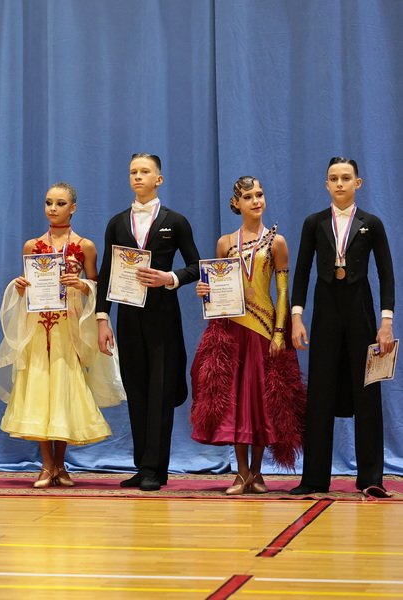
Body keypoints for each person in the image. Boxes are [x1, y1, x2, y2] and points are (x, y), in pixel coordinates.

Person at [0, 182, 125, 488]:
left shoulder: (85, 246)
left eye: (60, 203)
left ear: (73, 208)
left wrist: (82, 285)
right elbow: (27, 288)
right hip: (39, 328)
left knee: (63, 390)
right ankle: (46, 464)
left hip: (69, 329)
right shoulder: (32, 246)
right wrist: (20, 287)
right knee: (40, 391)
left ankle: (61, 464)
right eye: (49, 202)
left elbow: (97, 287)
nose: (53, 208)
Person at [190, 176, 306, 494]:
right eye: (249, 196)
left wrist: (280, 332)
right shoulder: (225, 243)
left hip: (265, 328)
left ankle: (257, 471)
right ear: (236, 204)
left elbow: (283, 292)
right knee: (235, 400)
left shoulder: (276, 242)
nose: (256, 201)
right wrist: (205, 289)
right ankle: (241, 472)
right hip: (232, 330)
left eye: (260, 194)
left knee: (261, 400)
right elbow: (217, 285)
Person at [290, 157, 395, 496]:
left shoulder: (371, 224)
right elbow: (302, 271)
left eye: (346, 178)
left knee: (367, 390)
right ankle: (314, 478)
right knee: (320, 391)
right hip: (325, 312)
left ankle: (371, 478)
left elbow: (387, 274)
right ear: (326, 184)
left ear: (357, 183)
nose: (339, 183)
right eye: (333, 178)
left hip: (361, 311)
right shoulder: (314, 223)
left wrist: (386, 322)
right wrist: (296, 317)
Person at [96, 153, 200, 492]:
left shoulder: (176, 221)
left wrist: (170, 278)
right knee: (137, 389)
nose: (138, 177)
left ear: (159, 179)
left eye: (144, 172)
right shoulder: (117, 223)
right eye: (133, 172)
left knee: (160, 392)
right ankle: (142, 466)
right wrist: (102, 319)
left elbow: (196, 266)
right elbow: (107, 272)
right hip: (128, 316)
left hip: (163, 316)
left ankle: (156, 468)